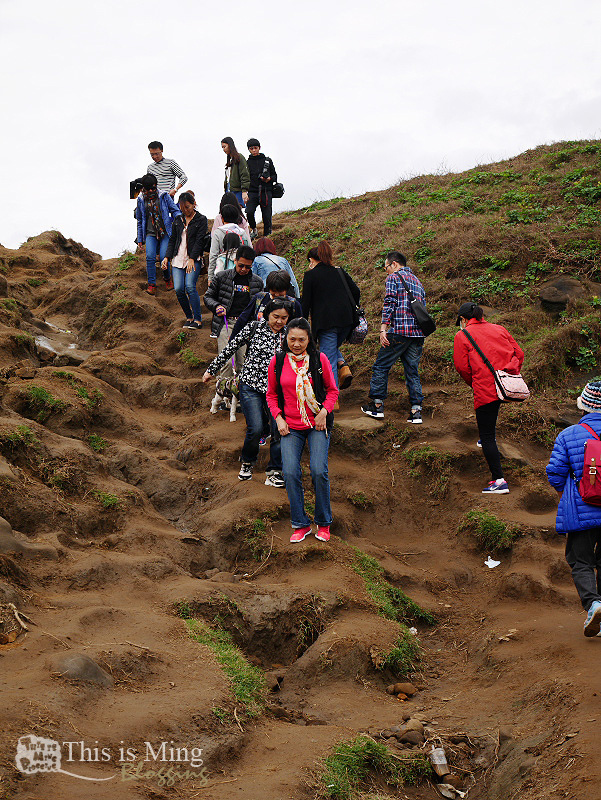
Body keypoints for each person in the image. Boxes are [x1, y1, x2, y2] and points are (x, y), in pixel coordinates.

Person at [202, 299, 294, 486]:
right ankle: (247, 463)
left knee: (278, 430)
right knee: (256, 428)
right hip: (250, 386)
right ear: (267, 314)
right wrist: (212, 370)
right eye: (275, 317)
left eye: (284, 318)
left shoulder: (290, 335)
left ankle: (274, 471)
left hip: (276, 391)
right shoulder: (254, 327)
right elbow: (231, 348)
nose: (279, 321)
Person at [267, 318, 339, 543]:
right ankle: (300, 523)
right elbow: (271, 395)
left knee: (319, 470)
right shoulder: (278, 361)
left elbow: (332, 391)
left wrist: (324, 412)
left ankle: (324, 522)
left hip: (317, 423)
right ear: (285, 338)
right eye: (292, 339)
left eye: (301, 339)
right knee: (289, 472)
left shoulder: (320, 359)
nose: (296, 344)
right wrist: (278, 419)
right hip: (290, 426)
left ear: (309, 339)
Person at [547, 380, 601, 636]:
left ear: (583, 405)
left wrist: (570, 495)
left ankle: (593, 604)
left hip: (582, 511)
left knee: (580, 561)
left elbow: (555, 473)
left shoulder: (568, 435)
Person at [452, 302, 524, 494]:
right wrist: (510, 371)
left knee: (487, 436)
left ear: (463, 319)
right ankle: (485, 442)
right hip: (504, 386)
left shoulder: (463, 335)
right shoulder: (499, 329)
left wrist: (475, 382)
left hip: (485, 389)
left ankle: (498, 480)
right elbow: (519, 353)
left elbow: (461, 367)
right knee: (490, 420)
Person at [361, 251, 426, 423]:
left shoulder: (393, 278)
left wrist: (383, 329)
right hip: (417, 334)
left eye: (386, 267)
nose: (386, 271)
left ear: (394, 264)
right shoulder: (418, 282)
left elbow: (390, 302)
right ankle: (416, 411)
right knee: (412, 371)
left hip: (399, 332)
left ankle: (377, 406)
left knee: (381, 366)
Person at [301, 241, 359, 390]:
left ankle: (332, 399)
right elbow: (356, 291)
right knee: (330, 350)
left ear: (312, 260)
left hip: (326, 323)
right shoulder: (339, 271)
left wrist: (301, 324)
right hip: (347, 321)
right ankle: (343, 367)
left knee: (328, 360)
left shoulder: (310, 276)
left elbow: (305, 304)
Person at [204, 245, 264, 375]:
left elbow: (260, 306)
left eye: (248, 267)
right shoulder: (221, 277)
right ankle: (224, 393)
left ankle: (240, 393)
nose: (243, 269)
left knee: (243, 362)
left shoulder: (257, 282)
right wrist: (216, 306)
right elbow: (208, 296)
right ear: (235, 261)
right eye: (241, 265)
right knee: (226, 362)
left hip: (245, 325)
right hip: (226, 322)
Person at [162, 192, 207, 329]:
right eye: (183, 208)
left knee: (190, 287)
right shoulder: (177, 220)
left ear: (194, 204)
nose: (185, 210)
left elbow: (200, 241)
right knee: (179, 289)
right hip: (177, 258)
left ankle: (198, 320)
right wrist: (167, 257)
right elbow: (173, 240)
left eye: (187, 207)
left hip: (193, 258)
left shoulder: (201, 219)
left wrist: (193, 258)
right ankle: (189, 317)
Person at [135, 174, 181, 295]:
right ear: (144, 188)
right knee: (150, 257)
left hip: (165, 231)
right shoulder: (140, 199)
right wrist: (140, 238)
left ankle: (167, 279)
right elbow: (140, 220)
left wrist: (178, 220)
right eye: (148, 188)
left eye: (153, 188)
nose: (151, 191)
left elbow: (175, 210)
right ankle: (152, 285)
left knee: (163, 257)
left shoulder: (164, 196)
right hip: (150, 232)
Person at [231, 270, 303, 338]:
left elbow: (300, 328)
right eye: (274, 291)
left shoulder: (294, 305)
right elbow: (243, 319)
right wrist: (232, 340)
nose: (277, 294)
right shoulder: (259, 299)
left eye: (280, 292)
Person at [208, 204, 252, 283]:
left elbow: (213, 255)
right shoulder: (242, 232)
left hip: (223, 271)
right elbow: (250, 250)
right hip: (241, 271)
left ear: (222, 218)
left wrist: (210, 277)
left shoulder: (218, 233)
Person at [246, 138, 277, 237]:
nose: (254, 150)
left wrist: (269, 179)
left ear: (259, 148)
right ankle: (254, 229)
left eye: (256, 148)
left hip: (266, 191)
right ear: (249, 150)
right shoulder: (247, 163)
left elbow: (275, 176)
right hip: (252, 192)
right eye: (251, 148)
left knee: (267, 216)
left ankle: (267, 236)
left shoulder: (267, 160)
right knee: (249, 212)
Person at [221, 137, 250, 207]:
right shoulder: (229, 160)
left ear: (230, 145)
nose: (223, 149)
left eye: (224, 146)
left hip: (238, 190)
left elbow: (244, 174)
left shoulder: (239, 157)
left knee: (237, 211)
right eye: (222, 147)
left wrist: (244, 190)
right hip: (229, 190)